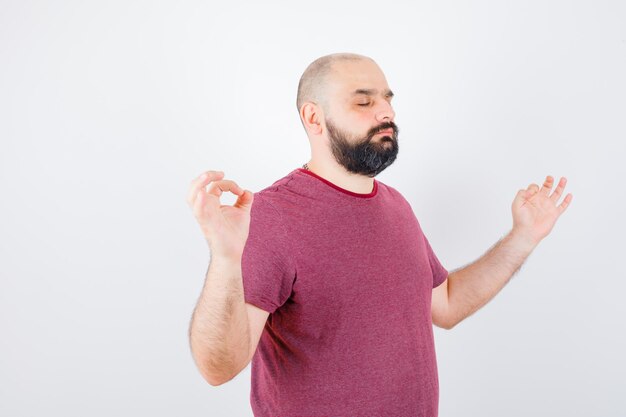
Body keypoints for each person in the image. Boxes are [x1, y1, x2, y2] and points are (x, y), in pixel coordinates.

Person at [186, 53, 573, 417]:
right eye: (363, 102)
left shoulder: (396, 206)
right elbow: (218, 368)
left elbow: (448, 305)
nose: (386, 112)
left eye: (387, 99)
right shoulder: (271, 216)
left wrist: (524, 236)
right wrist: (224, 258)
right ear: (314, 118)